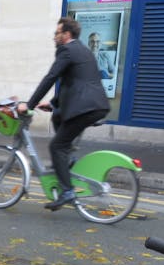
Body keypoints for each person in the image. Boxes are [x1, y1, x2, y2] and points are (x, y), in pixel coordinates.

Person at [17, 17, 109, 211]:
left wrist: (30, 104)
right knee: (57, 117)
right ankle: (67, 161)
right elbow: (73, 82)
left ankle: (67, 191)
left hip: (85, 107)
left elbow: (51, 77)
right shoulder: (83, 50)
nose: (54, 37)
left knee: (56, 146)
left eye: (57, 33)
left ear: (66, 35)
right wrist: (52, 104)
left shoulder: (66, 50)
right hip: (95, 104)